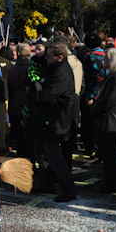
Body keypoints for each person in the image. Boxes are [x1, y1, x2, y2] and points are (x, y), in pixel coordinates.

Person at [36, 42, 78, 202]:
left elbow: (50, 94)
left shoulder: (61, 71)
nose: (46, 58)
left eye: (49, 56)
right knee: (53, 154)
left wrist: (39, 90)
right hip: (58, 118)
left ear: (59, 57)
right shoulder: (58, 68)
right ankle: (53, 183)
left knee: (55, 155)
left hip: (59, 119)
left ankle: (68, 189)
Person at [92, 47, 116, 193]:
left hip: (112, 120)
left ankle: (114, 182)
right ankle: (114, 181)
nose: (103, 60)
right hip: (115, 119)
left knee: (110, 153)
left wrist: (96, 108)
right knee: (111, 153)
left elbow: (110, 100)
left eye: (106, 58)